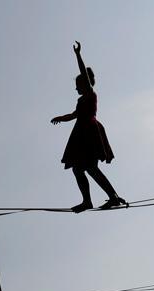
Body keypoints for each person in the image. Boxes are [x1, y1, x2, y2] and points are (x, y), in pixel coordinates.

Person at [51, 41, 125, 212]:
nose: (76, 88)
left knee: (91, 168)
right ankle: (87, 201)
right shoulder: (80, 100)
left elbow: (83, 71)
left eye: (78, 85)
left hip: (90, 133)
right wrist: (60, 118)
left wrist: (78, 55)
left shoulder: (91, 94)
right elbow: (73, 115)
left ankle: (113, 196)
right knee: (77, 169)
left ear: (85, 84)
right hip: (80, 135)